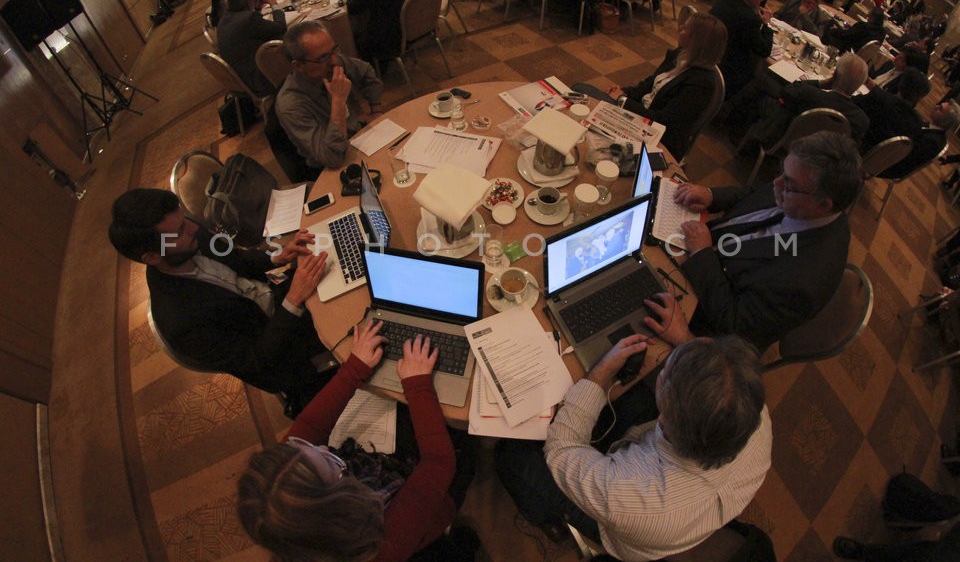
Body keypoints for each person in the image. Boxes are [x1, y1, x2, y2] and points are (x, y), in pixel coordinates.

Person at [496, 314, 772, 560]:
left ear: (664, 417)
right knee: (633, 400)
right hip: (678, 515)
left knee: (513, 455)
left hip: (621, 527)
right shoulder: (752, 412)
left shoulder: (629, 498)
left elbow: (562, 446)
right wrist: (685, 338)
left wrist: (602, 372)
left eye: (664, 372)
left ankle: (546, 518)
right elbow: (720, 379)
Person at [237, 321, 477, 562]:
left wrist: (355, 368)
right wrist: (417, 384)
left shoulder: (290, 489)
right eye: (329, 462)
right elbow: (439, 461)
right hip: (427, 511)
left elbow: (310, 427)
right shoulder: (382, 545)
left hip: (379, 473)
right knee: (465, 443)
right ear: (338, 503)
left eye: (304, 447)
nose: (322, 446)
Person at [108, 188, 335, 414]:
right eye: (179, 231)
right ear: (152, 257)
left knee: (337, 256)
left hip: (280, 299)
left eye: (184, 218)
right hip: (286, 351)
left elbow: (237, 258)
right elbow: (258, 360)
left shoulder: (190, 235)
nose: (194, 228)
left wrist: (277, 256)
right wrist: (294, 299)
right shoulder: (181, 324)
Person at [672, 131, 860, 350]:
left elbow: (732, 324)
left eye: (788, 184)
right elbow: (753, 194)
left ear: (823, 205)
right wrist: (712, 195)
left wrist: (702, 254)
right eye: (782, 171)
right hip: (699, 247)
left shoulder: (801, 283)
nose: (775, 184)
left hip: (699, 311)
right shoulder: (801, 193)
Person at [573, 12, 728, 159]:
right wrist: (625, 92)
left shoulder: (701, 84)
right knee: (580, 91)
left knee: (581, 93)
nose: (680, 28)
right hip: (640, 113)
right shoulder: (680, 54)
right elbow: (650, 83)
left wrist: (622, 100)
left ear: (697, 41)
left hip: (655, 133)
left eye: (685, 28)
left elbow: (663, 122)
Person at [275, 21, 384, 172]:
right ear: (298, 65)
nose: (334, 61)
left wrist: (376, 109)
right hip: (329, 169)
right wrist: (338, 101)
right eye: (322, 58)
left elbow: (366, 72)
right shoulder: (290, 105)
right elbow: (332, 158)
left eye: (334, 50)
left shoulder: (332, 62)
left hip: (360, 139)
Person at [737, 52, 870, 149]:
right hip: (820, 159)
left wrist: (821, 83)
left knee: (764, 84)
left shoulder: (809, 94)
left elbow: (786, 91)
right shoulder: (861, 120)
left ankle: (739, 130)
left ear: (835, 75)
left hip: (786, 139)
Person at [216, 0, 287, 97]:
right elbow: (281, 27)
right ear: (249, 0)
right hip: (261, 79)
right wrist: (274, 4)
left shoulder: (223, 20)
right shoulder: (249, 19)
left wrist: (256, 7)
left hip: (241, 80)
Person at [710, 0, 773, 98]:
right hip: (725, 68)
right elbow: (764, 51)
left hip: (708, 51)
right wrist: (766, 24)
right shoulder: (749, 19)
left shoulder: (725, 0)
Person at [855, 67, 929, 155]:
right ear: (921, 97)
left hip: (852, 146)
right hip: (879, 159)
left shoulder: (880, 98)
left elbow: (852, 104)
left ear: (900, 84)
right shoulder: (917, 123)